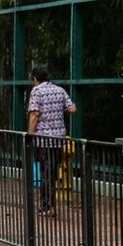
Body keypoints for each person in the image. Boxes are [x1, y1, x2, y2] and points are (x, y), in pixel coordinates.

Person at [27, 64, 76, 215]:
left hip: (43, 139)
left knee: (45, 172)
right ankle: (49, 203)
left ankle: (47, 205)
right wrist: (57, 110)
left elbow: (34, 114)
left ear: (35, 79)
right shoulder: (59, 90)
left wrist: (30, 133)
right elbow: (72, 109)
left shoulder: (37, 91)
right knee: (53, 171)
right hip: (59, 138)